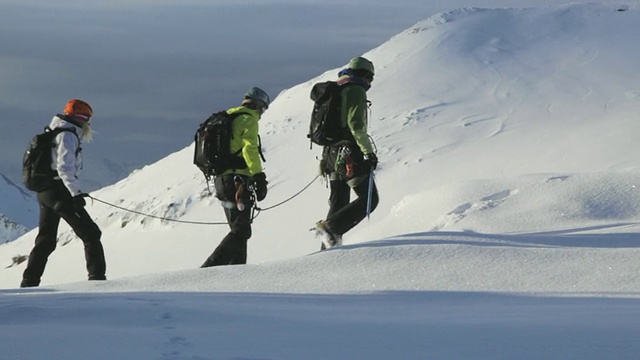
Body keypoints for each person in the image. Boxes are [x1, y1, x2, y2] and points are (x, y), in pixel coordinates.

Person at [21, 99, 106, 287]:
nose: (87, 122)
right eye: (86, 118)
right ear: (78, 117)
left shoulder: (53, 131)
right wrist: (75, 194)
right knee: (91, 234)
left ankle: (29, 283)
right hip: (59, 192)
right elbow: (64, 168)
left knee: (45, 240)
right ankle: (98, 282)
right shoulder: (68, 135)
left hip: (44, 192)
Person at [201, 87, 270, 267]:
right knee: (242, 231)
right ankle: (208, 270)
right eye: (262, 109)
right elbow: (249, 148)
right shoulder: (248, 119)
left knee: (238, 231)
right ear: (257, 105)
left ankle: (237, 275)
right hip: (238, 181)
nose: (262, 114)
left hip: (222, 181)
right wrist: (258, 175)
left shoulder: (230, 117)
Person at [315, 56, 380, 250]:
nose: (370, 83)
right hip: (349, 153)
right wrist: (369, 153)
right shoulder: (355, 89)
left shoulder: (335, 88)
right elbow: (356, 126)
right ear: (365, 75)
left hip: (330, 154)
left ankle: (327, 250)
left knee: (339, 203)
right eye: (371, 78)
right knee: (369, 199)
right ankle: (330, 228)